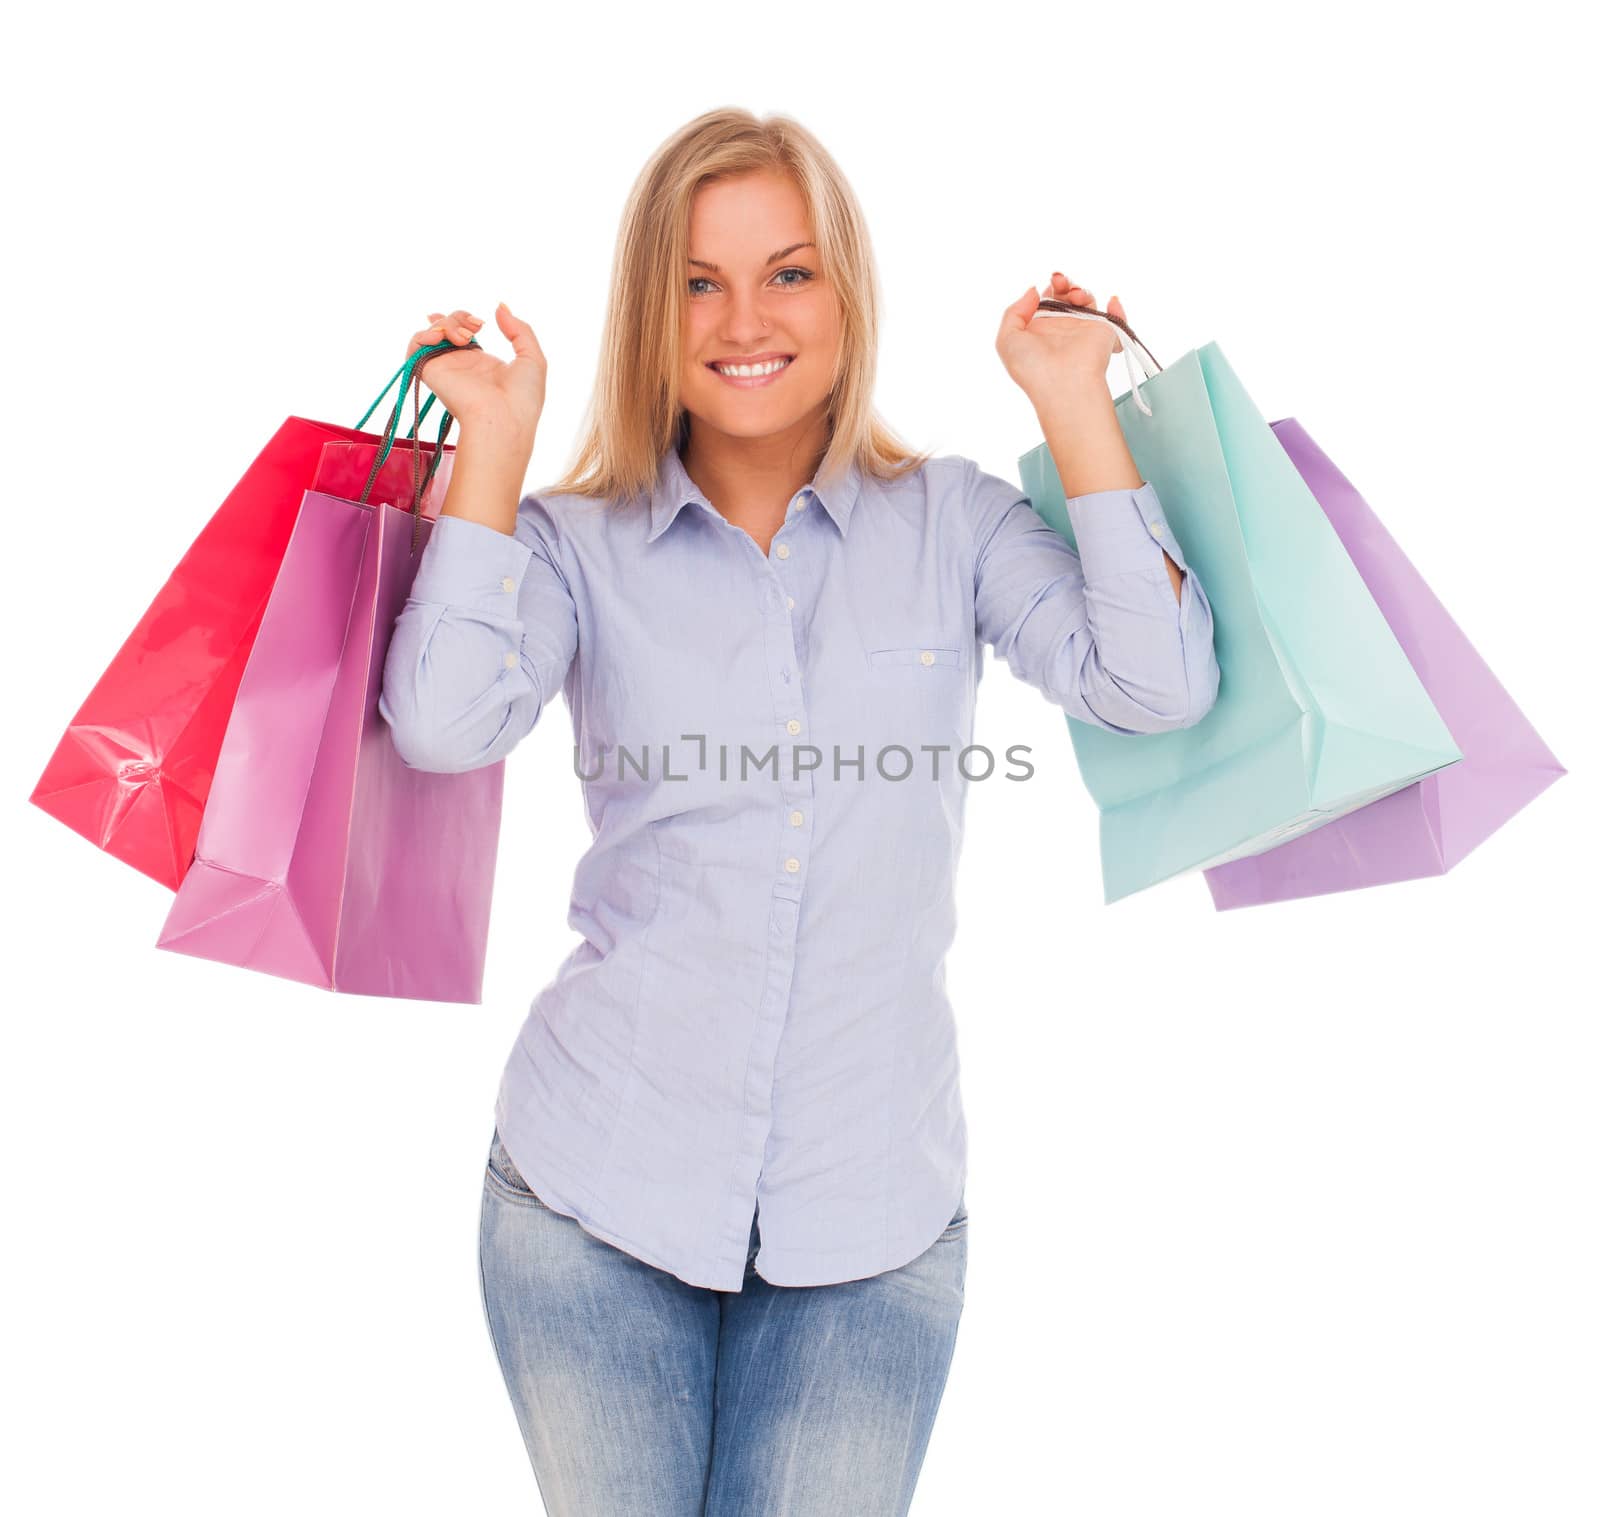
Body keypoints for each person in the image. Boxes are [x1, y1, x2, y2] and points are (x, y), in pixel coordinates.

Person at [378, 107, 1219, 1517]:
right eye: (699, 281)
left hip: (869, 1214)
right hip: (594, 1195)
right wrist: (496, 452)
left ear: (848, 293)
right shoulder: (573, 547)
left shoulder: (951, 522)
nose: (744, 318)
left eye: (789, 270)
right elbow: (445, 723)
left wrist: (1074, 402)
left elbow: (1157, 685)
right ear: (652, 308)